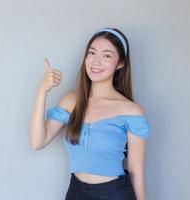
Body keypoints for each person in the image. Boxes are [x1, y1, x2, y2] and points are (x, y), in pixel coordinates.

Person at [29, 27, 150, 200]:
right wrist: (42, 91)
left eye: (107, 55)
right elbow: (37, 142)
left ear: (121, 63)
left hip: (114, 194)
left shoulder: (131, 111)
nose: (96, 61)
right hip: (76, 192)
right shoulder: (70, 101)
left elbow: (135, 172)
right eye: (92, 53)